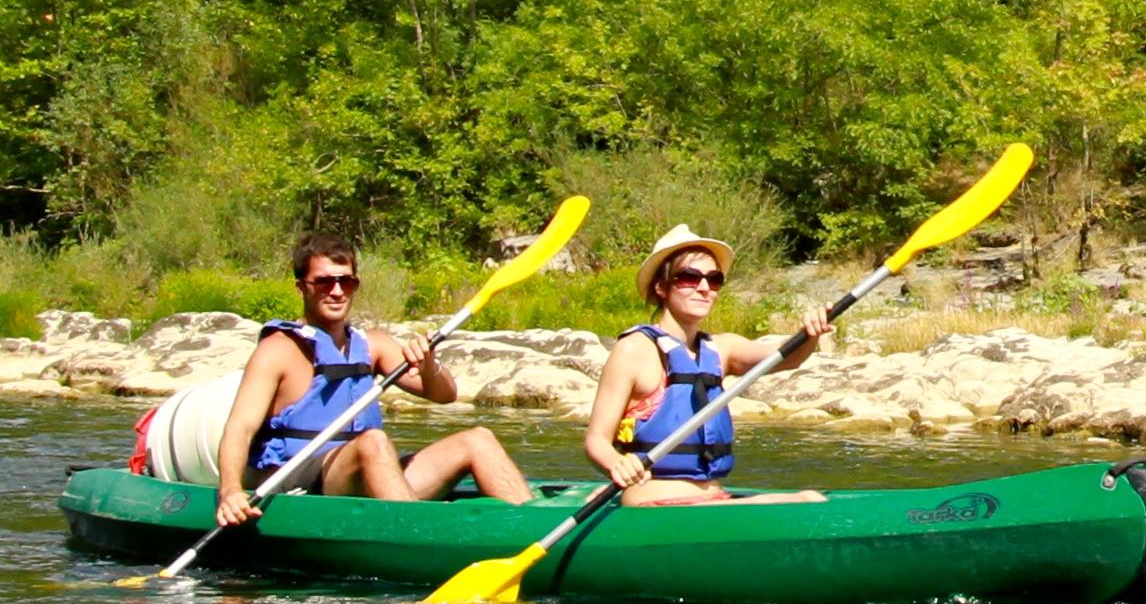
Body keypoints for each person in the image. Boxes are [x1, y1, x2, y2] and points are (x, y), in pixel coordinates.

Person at [207, 228, 531, 531]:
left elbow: (445, 395)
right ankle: (418, 538)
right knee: (373, 442)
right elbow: (240, 428)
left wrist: (429, 364)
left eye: (345, 282)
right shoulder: (278, 350)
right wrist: (231, 491)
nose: (336, 292)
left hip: (367, 470)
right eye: (323, 283)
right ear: (301, 287)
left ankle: (534, 530)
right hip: (299, 481)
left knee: (477, 438)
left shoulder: (372, 345)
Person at [582, 224, 833, 505]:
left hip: (713, 496)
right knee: (808, 500)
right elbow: (596, 440)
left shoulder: (721, 348)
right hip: (653, 501)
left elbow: (786, 356)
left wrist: (810, 333)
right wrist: (616, 463)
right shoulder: (635, 350)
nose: (704, 288)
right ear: (661, 287)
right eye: (689, 277)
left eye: (714, 280)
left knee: (811, 497)